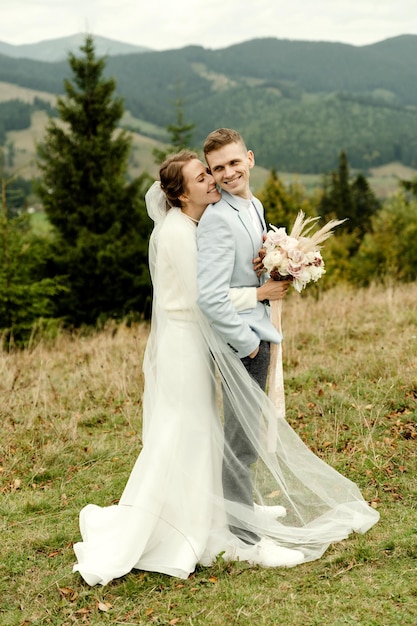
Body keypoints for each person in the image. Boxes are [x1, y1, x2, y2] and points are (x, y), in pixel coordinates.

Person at [72, 149, 379, 587]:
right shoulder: (177, 233)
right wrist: (260, 293)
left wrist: (259, 268)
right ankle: (182, 526)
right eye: (202, 178)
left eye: (209, 173)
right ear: (179, 195)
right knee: (186, 429)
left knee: (200, 431)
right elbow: (203, 298)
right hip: (183, 345)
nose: (212, 181)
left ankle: (210, 510)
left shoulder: (195, 223)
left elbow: (218, 277)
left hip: (196, 341)